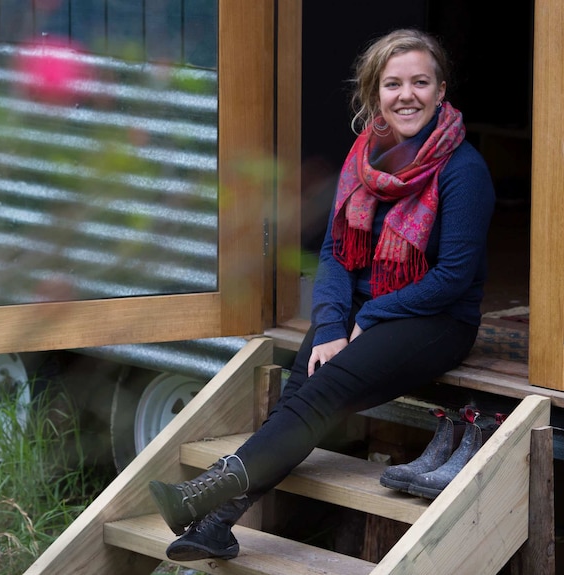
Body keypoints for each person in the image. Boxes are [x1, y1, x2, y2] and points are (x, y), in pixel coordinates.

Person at [148, 28, 496, 562]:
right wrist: (332, 325)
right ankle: (216, 524)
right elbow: (336, 253)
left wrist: (372, 315)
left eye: (420, 82)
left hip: (434, 319)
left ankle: (208, 495)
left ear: (441, 90)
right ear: (375, 93)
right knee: (302, 395)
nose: (407, 94)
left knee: (319, 392)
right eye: (393, 83)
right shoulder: (364, 160)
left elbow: (452, 276)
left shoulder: (463, 170)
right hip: (362, 310)